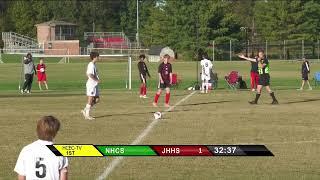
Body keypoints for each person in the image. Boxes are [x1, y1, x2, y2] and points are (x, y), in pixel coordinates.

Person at [14, 116, 68, 180]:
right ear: (55, 133)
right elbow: (63, 176)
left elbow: (21, 176)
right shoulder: (59, 151)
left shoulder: (26, 150)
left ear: (37, 130)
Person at [81, 52, 100, 120]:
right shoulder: (91, 65)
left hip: (95, 85)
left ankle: (85, 110)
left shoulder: (94, 65)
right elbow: (89, 74)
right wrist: (96, 80)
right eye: (98, 57)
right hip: (91, 84)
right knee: (90, 99)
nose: (98, 58)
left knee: (97, 100)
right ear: (94, 57)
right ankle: (87, 115)